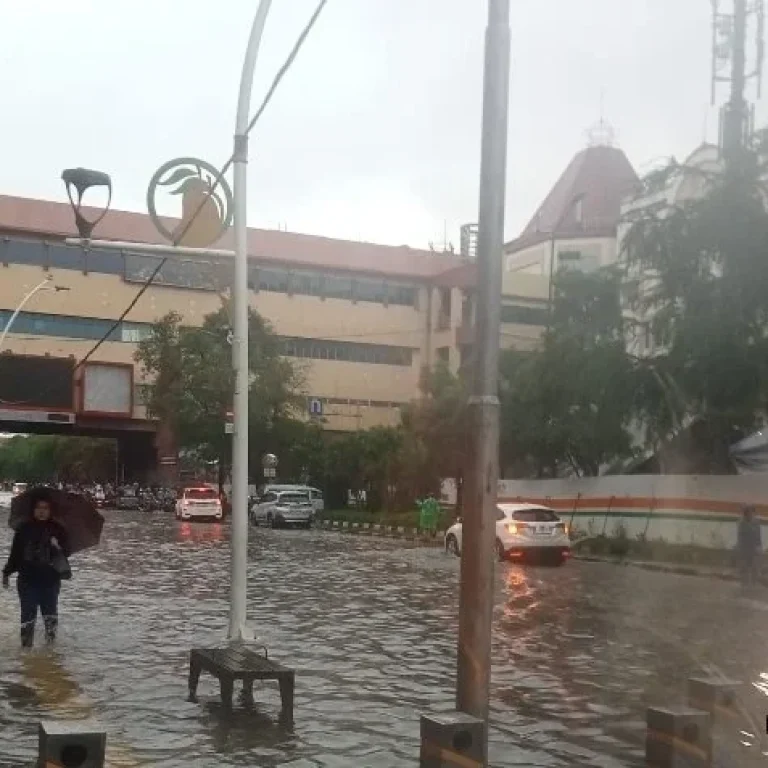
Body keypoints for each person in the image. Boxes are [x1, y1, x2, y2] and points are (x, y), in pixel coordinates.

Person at [2, 495, 70, 647]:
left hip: (50, 582)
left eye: (45, 508)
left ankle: (50, 651)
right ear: (33, 510)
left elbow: (67, 552)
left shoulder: (58, 529)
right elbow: (15, 554)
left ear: (50, 511)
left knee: (50, 618)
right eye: (38, 508)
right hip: (27, 581)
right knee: (27, 618)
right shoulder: (23, 529)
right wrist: (6, 572)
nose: (41, 511)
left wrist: (57, 546)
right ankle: (26, 652)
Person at [737, 504, 763, 587]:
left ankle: (753, 583)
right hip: (745, 548)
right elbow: (741, 536)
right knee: (744, 566)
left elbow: (758, 535)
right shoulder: (742, 523)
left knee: (754, 566)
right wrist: (741, 547)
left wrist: (759, 546)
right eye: (747, 513)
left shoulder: (756, 522)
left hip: (753, 548)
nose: (749, 514)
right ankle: (744, 583)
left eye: (751, 512)